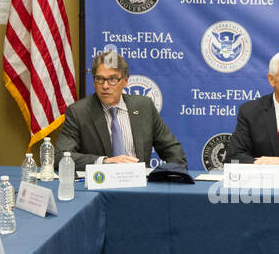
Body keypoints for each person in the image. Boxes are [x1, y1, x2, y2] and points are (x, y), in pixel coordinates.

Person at [55, 52, 186, 168]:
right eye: (99, 79)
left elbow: (172, 149)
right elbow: (60, 156)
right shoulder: (79, 112)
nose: (105, 86)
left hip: (140, 185)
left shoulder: (144, 106)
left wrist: (173, 175)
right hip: (100, 186)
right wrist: (105, 162)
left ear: (125, 81)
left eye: (112, 79)